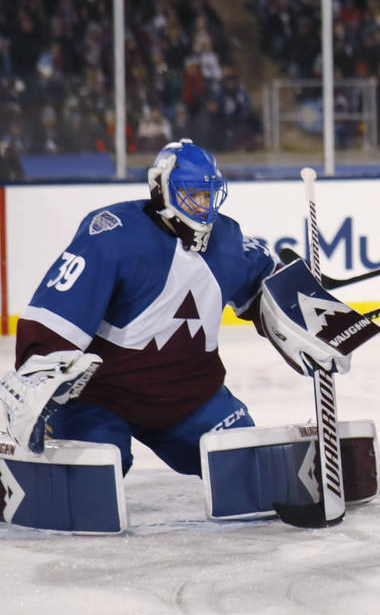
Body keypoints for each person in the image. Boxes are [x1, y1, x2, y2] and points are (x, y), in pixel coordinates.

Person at [0, 139, 355, 479]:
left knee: (245, 465)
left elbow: (266, 286)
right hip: (101, 395)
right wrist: (39, 373)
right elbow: (59, 307)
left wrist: (309, 311)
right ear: (162, 191)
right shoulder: (113, 233)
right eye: (192, 194)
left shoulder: (227, 241)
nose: (203, 205)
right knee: (96, 468)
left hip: (189, 396)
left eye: (208, 194)